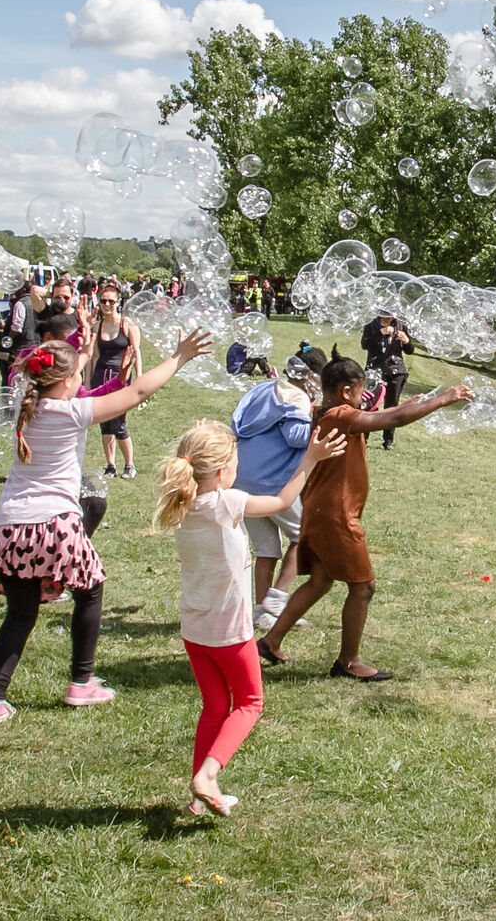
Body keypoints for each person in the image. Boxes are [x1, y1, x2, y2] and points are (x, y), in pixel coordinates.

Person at [0, 328, 212, 729]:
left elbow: (65, 371)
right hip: (55, 523)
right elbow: (135, 395)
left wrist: (80, 352)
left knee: (20, 614)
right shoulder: (72, 412)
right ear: (67, 383)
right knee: (91, 589)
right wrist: (179, 358)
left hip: (10, 525)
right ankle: (81, 681)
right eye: (79, 374)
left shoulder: (25, 407)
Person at [153, 418, 346, 816]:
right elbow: (278, 503)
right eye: (235, 463)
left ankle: (199, 798)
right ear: (223, 473)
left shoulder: (184, 503)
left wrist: (205, 434)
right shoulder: (227, 503)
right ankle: (208, 775)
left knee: (213, 706)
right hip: (229, 630)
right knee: (250, 702)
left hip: (195, 627)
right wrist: (309, 459)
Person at [257, 348, 472, 681]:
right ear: (346, 391)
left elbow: (385, 414)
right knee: (363, 587)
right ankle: (348, 661)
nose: (363, 397)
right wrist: (444, 399)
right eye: (360, 391)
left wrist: (407, 404)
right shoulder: (341, 416)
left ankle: (271, 642)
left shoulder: (323, 412)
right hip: (336, 516)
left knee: (320, 581)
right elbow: (389, 420)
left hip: (317, 510)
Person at [232, 348, 328, 628]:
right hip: (270, 482)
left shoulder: (266, 388)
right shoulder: (295, 396)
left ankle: (262, 614)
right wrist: (321, 420)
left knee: (266, 549)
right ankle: (277, 599)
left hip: (242, 479)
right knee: (304, 536)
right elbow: (296, 436)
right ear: (309, 377)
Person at [90, 283, 142, 478]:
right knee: (104, 424)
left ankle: (129, 465)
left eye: (111, 301)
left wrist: (139, 379)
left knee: (119, 423)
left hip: (120, 378)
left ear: (118, 302)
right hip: (100, 378)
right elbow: (94, 357)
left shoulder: (128, 325)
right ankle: (110, 465)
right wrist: (88, 381)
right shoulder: (97, 326)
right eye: (103, 301)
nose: (107, 305)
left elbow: (136, 352)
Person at [360, 313, 414, 450]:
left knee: (392, 406)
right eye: (385, 318)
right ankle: (363, 438)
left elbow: (410, 351)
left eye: (390, 318)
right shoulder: (371, 326)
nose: (388, 320)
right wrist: (380, 333)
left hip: (396, 369)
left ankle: (388, 441)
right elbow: (365, 345)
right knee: (370, 405)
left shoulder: (401, 326)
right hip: (375, 368)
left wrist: (407, 341)